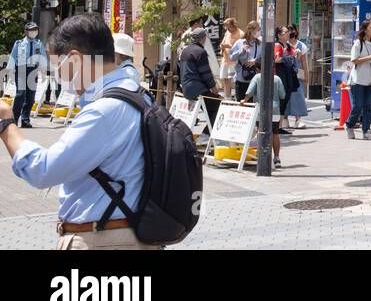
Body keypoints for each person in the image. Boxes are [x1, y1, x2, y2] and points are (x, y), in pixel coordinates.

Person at [0, 14, 159, 249]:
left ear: (74, 60)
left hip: (105, 240)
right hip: (127, 231)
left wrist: (6, 123)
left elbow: (44, 171)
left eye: (57, 65)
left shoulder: (104, 110)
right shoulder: (137, 93)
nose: (58, 75)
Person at [346, 20, 371, 140]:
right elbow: (354, 60)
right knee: (358, 106)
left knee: (368, 107)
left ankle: (367, 130)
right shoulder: (358, 43)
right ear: (365, 30)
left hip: (370, 79)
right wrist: (370, 57)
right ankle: (349, 125)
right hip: (357, 80)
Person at [178, 28, 220, 130]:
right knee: (218, 105)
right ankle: (206, 134)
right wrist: (214, 88)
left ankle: (206, 133)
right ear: (203, 38)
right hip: (197, 88)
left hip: (186, 88)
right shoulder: (200, 52)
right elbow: (205, 73)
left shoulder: (185, 50)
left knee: (209, 106)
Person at [244, 67, 286, 169]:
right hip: (274, 110)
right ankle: (276, 158)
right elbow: (282, 95)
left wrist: (244, 100)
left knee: (260, 132)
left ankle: (261, 156)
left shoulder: (257, 77)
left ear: (258, 68)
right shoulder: (277, 79)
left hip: (260, 110)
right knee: (275, 134)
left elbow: (249, 92)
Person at [6, 22, 46, 129]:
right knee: (20, 94)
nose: (34, 32)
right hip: (21, 70)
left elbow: (43, 57)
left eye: (35, 30)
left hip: (33, 70)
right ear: (26, 31)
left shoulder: (39, 43)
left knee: (30, 97)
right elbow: (13, 57)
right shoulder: (19, 43)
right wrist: (10, 72)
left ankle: (25, 120)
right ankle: (13, 120)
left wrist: (43, 72)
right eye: (31, 30)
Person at [273, 27, 301, 133]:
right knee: (281, 99)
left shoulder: (288, 45)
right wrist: (288, 57)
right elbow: (276, 59)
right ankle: (277, 126)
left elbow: (296, 56)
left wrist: (296, 53)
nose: (288, 33)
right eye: (285, 32)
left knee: (285, 98)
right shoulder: (278, 45)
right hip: (280, 75)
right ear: (279, 35)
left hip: (288, 74)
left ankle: (279, 126)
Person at [285, 25, 310, 128]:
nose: (291, 32)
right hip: (285, 74)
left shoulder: (301, 45)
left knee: (298, 95)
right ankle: (285, 119)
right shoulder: (283, 45)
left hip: (297, 74)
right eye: (288, 30)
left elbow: (304, 62)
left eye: (292, 30)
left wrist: (306, 76)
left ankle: (298, 119)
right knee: (285, 96)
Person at [229, 23, 262, 101]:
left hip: (255, 77)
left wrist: (255, 61)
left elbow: (265, 59)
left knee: (253, 103)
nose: (259, 32)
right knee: (241, 101)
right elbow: (231, 57)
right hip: (241, 77)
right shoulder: (240, 42)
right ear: (251, 30)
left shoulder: (260, 44)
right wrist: (241, 51)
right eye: (257, 30)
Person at [218, 19, 241, 98]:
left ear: (233, 25)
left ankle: (235, 96)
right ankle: (227, 98)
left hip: (234, 60)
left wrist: (229, 46)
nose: (227, 29)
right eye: (226, 27)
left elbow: (241, 48)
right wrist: (222, 46)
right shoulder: (227, 33)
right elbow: (224, 42)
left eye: (229, 27)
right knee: (225, 79)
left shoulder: (240, 33)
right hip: (225, 58)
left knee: (234, 80)